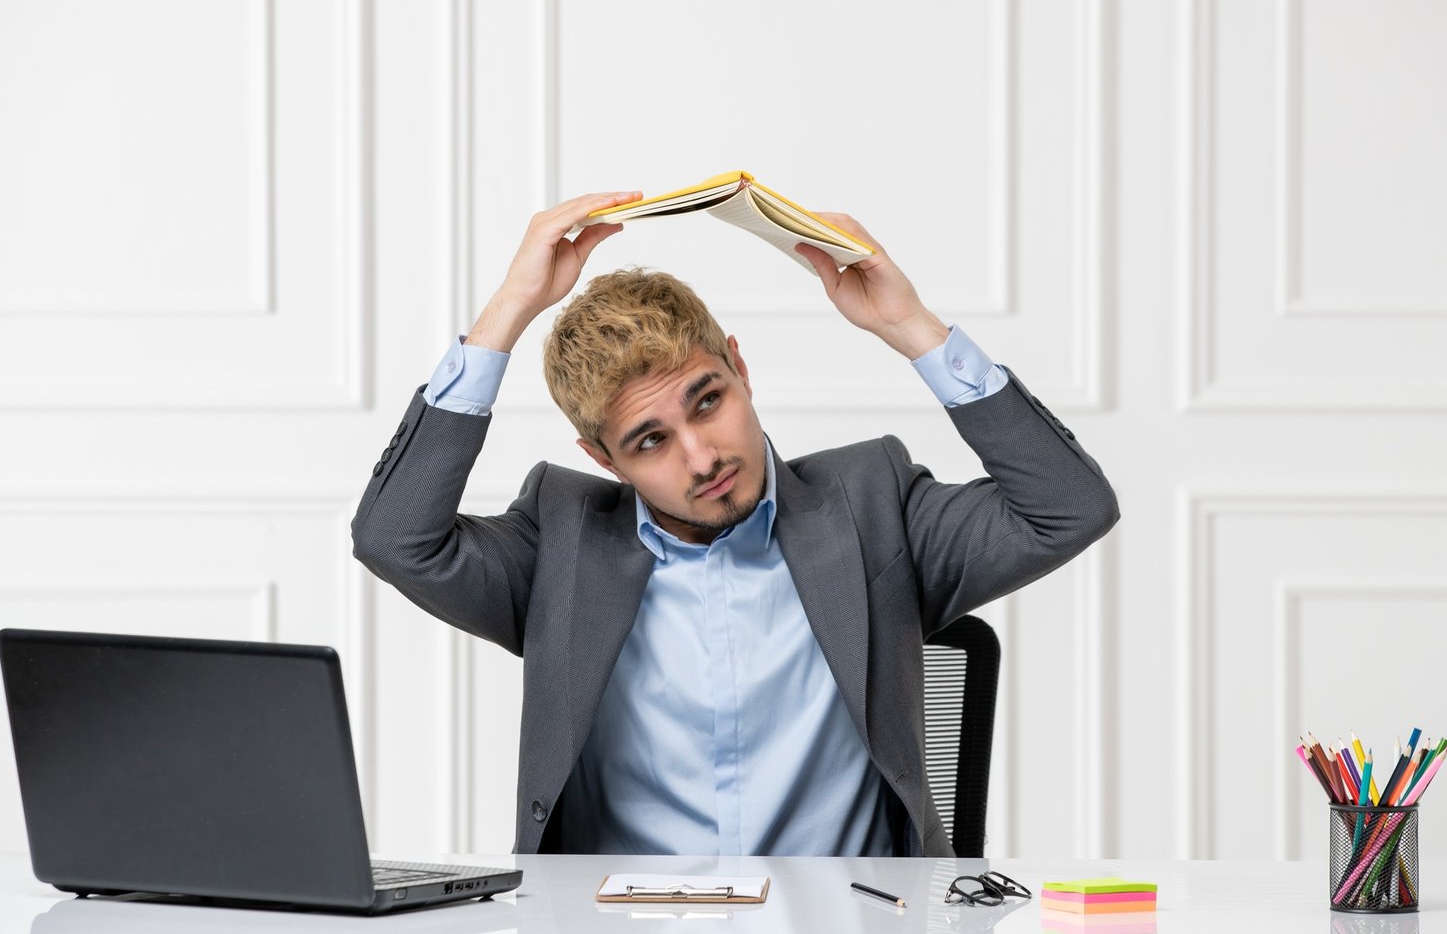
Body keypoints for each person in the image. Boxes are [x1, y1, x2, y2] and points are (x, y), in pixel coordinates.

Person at [351, 190, 1118, 858]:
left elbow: (1069, 508)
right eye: (650, 441)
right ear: (604, 458)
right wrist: (506, 312)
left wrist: (911, 325)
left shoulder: (872, 504)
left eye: (708, 400)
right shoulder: (562, 539)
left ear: (740, 370)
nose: (702, 455)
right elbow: (395, 538)